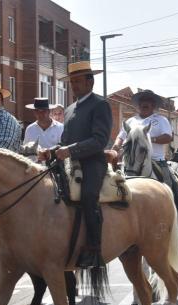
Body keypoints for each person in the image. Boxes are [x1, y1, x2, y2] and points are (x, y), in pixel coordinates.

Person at [41, 61, 112, 269]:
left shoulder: (101, 105)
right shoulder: (70, 109)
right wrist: (51, 152)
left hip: (93, 162)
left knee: (89, 196)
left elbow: (99, 140)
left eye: (78, 81)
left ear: (90, 81)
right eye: (72, 82)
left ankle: (94, 250)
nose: (74, 85)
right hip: (71, 162)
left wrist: (70, 150)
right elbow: (64, 141)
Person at [112, 89, 178, 230]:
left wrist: (148, 138)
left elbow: (168, 136)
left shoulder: (161, 120)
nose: (144, 104)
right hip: (132, 161)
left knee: (172, 183)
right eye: (142, 101)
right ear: (138, 104)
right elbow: (121, 136)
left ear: (153, 105)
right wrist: (115, 147)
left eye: (148, 101)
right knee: (115, 183)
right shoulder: (131, 121)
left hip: (156, 160)